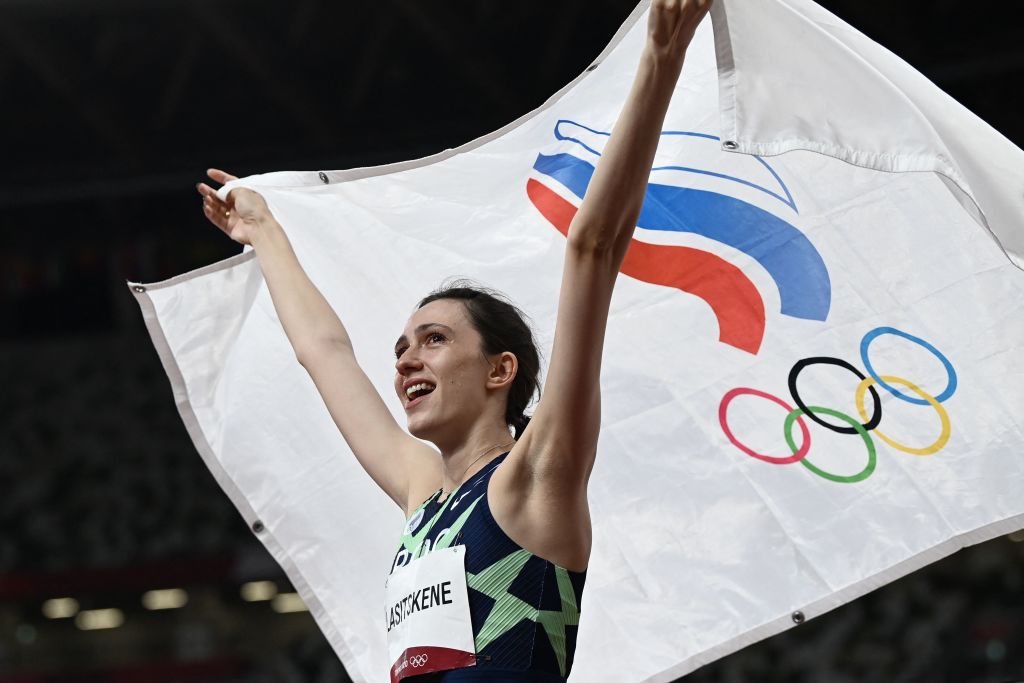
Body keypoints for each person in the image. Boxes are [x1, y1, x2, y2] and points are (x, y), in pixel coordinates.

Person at [195, 1, 711, 680]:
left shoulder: (536, 477)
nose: (406, 358)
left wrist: (661, 58)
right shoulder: (422, 492)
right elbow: (324, 352)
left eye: (433, 339)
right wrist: (264, 236)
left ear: (501, 369)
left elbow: (593, 246)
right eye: (403, 346)